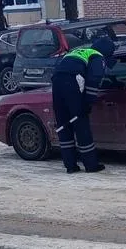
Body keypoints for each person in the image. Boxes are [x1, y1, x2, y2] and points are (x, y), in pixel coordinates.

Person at [50, 36, 116, 174]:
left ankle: (70, 166)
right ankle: (91, 165)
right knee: (81, 125)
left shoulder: (78, 51)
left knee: (64, 125)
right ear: (106, 52)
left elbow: (58, 69)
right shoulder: (97, 57)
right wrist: (87, 103)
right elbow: (93, 80)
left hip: (57, 83)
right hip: (72, 82)